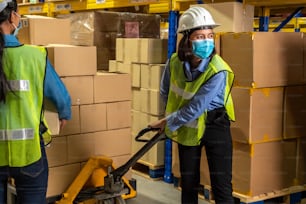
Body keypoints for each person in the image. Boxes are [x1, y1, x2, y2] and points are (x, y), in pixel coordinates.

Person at [149, 6, 235, 204]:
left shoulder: (218, 69)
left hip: (215, 123)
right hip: (187, 125)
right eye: (200, 36)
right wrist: (169, 118)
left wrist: (168, 121)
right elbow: (166, 92)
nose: (207, 41)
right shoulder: (174, 62)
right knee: (188, 183)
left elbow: (197, 106)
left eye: (210, 35)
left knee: (221, 185)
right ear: (187, 39)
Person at [0, 0, 71, 203]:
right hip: (28, 155)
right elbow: (61, 97)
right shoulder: (35, 56)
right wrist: (63, 114)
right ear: (13, 17)